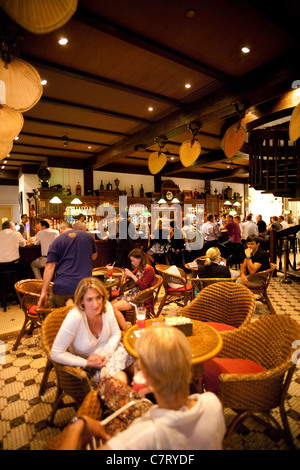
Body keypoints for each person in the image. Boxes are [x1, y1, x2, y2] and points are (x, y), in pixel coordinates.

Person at [58, 324, 225, 450]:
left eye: (139, 364)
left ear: (146, 379)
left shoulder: (144, 435)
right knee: (109, 384)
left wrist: (78, 424)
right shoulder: (213, 403)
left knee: (107, 385)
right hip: (159, 409)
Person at [51, 277, 134, 386]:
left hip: (112, 352)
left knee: (143, 369)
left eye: (98, 297)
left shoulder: (107, 306)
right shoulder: (75, 317)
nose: (96, 304)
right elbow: (55, 353)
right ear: (81, 300)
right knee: (120, 379)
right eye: (89, 299)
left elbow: (116, 334)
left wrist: (105, 353)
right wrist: (86, 363)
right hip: (92, 367)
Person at [37, 222, 98, 309]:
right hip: (85, 286)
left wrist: (43, 291)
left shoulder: (56, 242)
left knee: (56, 313)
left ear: (61, 231)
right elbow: (94, 256)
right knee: (84, 316)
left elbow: (50, 267)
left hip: (63, 287)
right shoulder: (87, 236)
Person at [111, 248, 155, 331]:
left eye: (133, 260)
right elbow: (132, 275)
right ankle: (117, 328)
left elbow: (143, 286)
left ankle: (125, 332)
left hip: (141, 297)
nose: (132, 263)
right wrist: (127, 274)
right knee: (109, 306)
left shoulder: (149, 269)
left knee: (114, 308)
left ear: (140, 259)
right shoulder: (139, 268)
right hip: (133, 294)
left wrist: (132, 275)